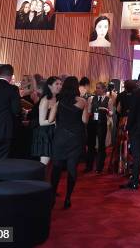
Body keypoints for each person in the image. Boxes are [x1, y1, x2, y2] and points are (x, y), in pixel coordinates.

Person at [49, 76, 89, 209]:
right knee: (72, 168)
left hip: (60, 137)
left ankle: (52, 196)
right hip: (76, 138)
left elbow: (51, 119)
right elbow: (85, 121)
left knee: (56, 168)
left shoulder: (59, 102)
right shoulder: (83, 101)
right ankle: (67, 198)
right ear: (76, 87)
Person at [31, 76, 60, 165]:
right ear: (49, 86)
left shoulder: (57, 98)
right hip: (45, 134)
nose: (60, 86)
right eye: (57, 84)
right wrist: (57, 121)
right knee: (44, 163)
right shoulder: (45, 100)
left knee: (50, 163)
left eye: (60, 84)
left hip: (53, 132)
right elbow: (41, 122)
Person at [85, 82, 111, 173]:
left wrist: (107, 110)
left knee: (101, 145)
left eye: (99, 88)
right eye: (96, 88)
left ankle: (99, 167)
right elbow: (88, 111)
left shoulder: (109, 100)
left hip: (102, 124)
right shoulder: (91, 98)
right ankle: (89, 166)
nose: (97, 90)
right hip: (92, 123)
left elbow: (111, 113)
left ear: (104, 89)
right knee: (90, 145)